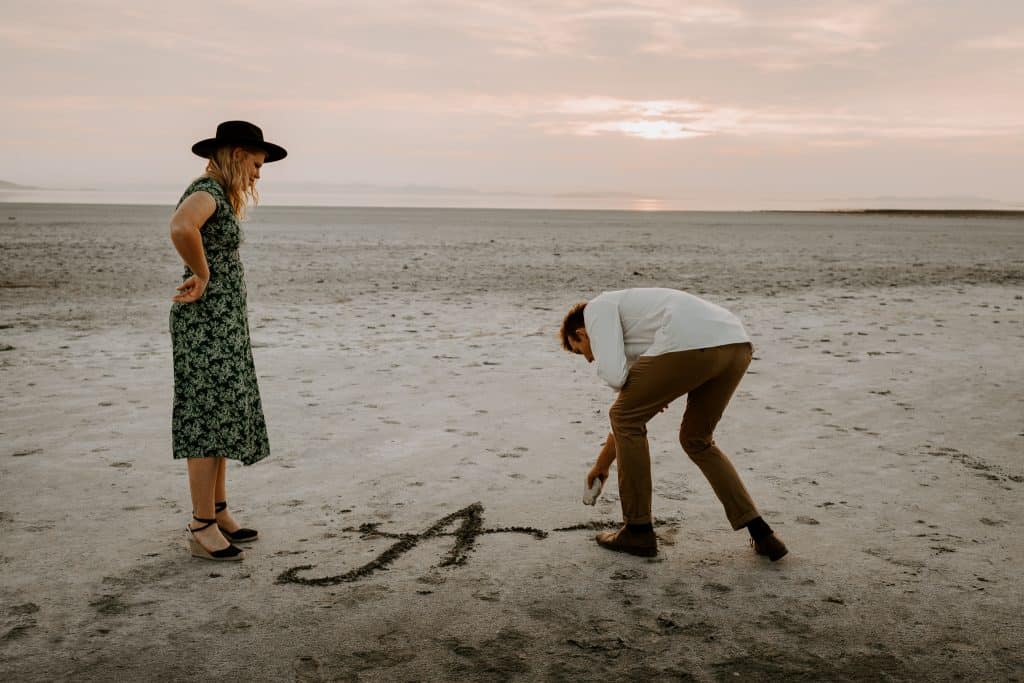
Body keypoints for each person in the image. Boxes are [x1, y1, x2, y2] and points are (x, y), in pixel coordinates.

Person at [559, 288, 787, 561]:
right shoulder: (636, 334)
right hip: (736, 344)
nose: (588, 359)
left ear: (581, 333)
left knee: (625, 417)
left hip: (689, 341)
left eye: (580, 350)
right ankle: (762, 533)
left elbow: (616, 381)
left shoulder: (597, 308)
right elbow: (629, 410)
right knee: (696, 440)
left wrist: (650, 391)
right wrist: (602, 465)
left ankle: (638, 529)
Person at [168, 121, 287, 561]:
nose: (258, 174)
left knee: (221, 414)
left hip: (222, 321)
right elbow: (182, 227)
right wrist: (202, 274)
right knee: (205, 417)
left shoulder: (218, 193)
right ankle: (201, 526)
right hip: (204, 322)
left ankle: (217, 511)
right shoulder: (206, 191)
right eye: (256, 164)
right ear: (237, 155)